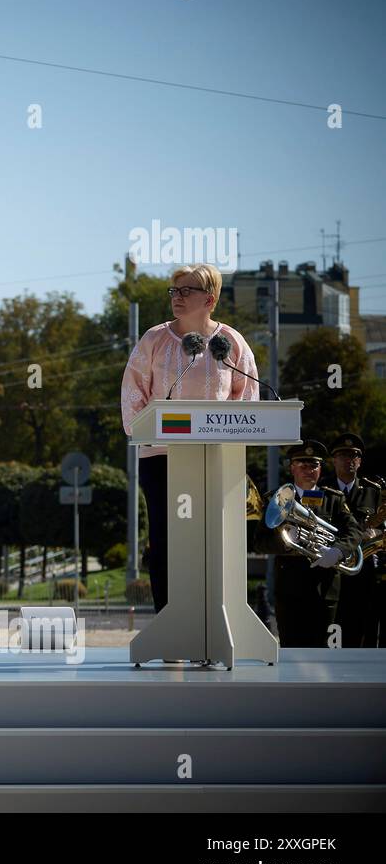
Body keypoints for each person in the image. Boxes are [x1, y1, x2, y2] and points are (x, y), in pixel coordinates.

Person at [120, 263, 259, 613]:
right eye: (174, 291)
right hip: (161, 459)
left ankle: (212, 622)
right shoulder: (153, 339)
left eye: (186, 291)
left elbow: (249, 399)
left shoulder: (232, 343)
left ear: (209, 299)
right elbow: (132, 396)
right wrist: (144, 429)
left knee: (214, 541)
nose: (177, 298)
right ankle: (170, 624)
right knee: (167, 542)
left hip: (217, 460)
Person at [250, 441, 365, 647]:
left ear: (320, 469)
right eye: (302, 465)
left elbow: (355, 530)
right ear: (292, 468)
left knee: (324, 652)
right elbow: (259, 543)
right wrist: (285, 543)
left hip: (325, 589)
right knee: (291, 651)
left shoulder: (333, 499)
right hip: (290, 589)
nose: (309, 470)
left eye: (314, 465)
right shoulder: (276, 500)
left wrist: (337, 551)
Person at [320, 433, 383, 647]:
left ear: (360, 461)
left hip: (364, 571)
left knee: (362, 627)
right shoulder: (321, 489)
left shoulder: (372, 491)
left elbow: (382, 526)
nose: (350, 460)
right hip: (330, 570)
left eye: (355, 456)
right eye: (344, 456)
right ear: (334, 460)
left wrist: (376, 534)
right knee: (331, 630)